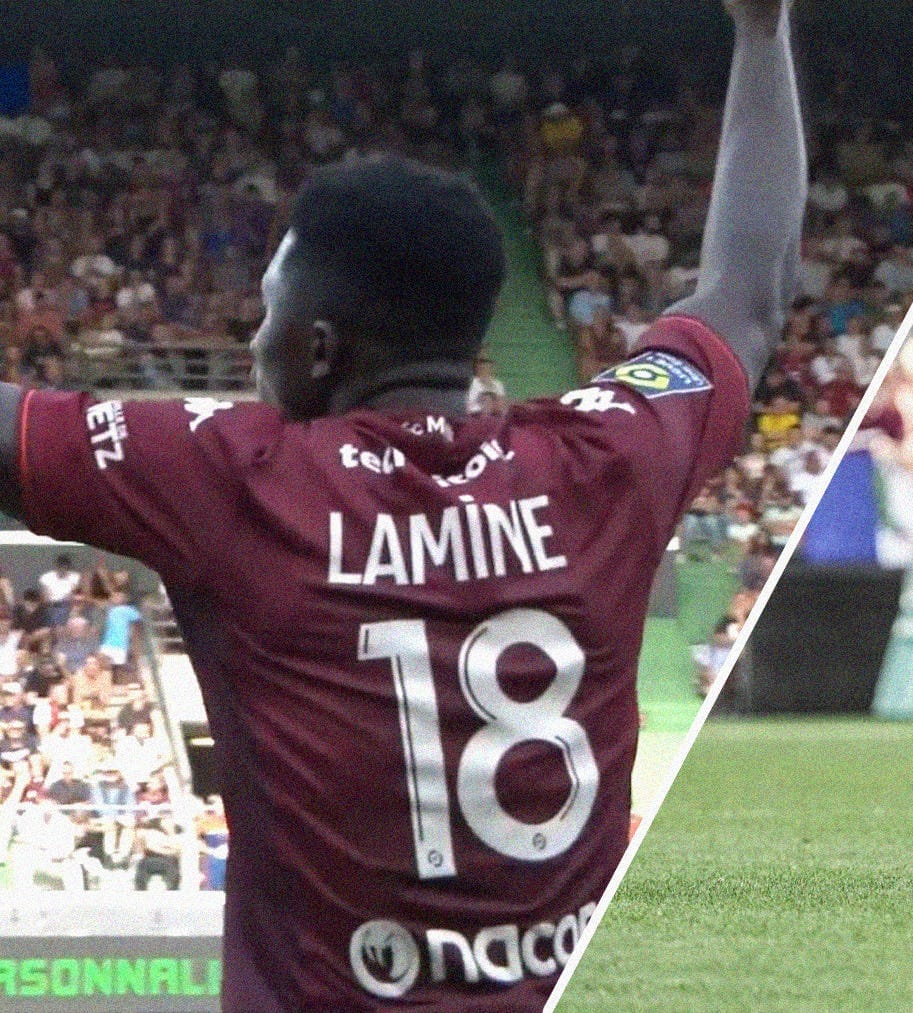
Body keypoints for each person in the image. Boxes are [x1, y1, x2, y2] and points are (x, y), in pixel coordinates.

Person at [0, 0, 804, 1005]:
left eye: (269, 315)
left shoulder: (232, 475)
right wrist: (763, 33)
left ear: (322, 349)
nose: (254, 346)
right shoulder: (604, 454)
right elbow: (747, 294)